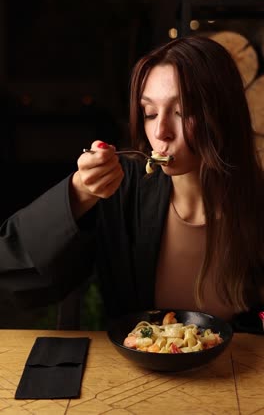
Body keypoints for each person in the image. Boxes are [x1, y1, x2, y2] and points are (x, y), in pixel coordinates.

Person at [0, 35, 263, 331]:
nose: (160, 131)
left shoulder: (256, 202)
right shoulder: (122, 190)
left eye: (182, 112)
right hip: (129, 374)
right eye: (150, 113)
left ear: (223, 115)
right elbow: (13, 273)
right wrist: (78, 193)